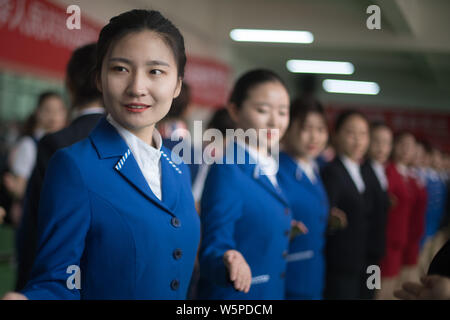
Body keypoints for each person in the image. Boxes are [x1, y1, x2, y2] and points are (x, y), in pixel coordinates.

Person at [2, 9, 200, 300]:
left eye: (155, 71)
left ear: (177, 86)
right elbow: (59, 280)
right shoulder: (74, 166)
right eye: (120, 69)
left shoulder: (178, 168)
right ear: (99, 79)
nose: (137, 87)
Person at [14, 43, 104, 291]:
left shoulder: (55, 143)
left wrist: (28, 288)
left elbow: (38, 223)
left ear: (69, 85)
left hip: (60, 282)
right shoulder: (131, 143)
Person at [197, 69, 292, 299]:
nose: (274, 121)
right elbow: (213, 248)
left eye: (283, 112)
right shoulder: (229, 169)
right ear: (234, 110)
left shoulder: (270, 167)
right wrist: (227, 259)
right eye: (262, 110)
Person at [277, 98, 330, 300]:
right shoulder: (277, 170)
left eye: (321, 129)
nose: (314, 137)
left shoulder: (313, 169)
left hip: (313, 274)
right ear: (288, 128)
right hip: (289, 277)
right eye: (306, 128)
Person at [321, 109, 372, 300]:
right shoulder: (332, 172)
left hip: (362, 261)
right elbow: (328, 216)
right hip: (340, 263)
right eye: (351, 133)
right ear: (336, 135)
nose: (358, 140)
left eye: (363, 134)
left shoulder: (363, 170)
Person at [2, 91, 67, 226]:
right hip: (32, 217)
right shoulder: (29, 145)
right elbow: (20, 189)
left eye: (58, 110)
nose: (53, 116)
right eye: (48, 110)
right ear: (38, 113)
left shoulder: (66, 144)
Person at [377, 132, 416, 299]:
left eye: (411, 146)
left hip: (400, 241)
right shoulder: (388, 172)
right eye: (403, 145)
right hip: (386, 242)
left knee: (392, 288)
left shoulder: (407, 175)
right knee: (379, 287)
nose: (407, 150)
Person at [360, 122, 393, 299]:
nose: (382, 148)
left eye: (387, 143)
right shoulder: (363, 171)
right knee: (366, 291)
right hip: (366, 249)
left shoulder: (381, 170)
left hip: (376, 247)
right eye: (377, 141)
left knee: (371, 290)